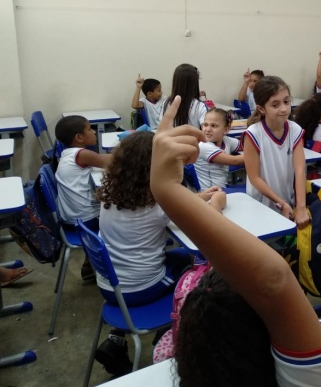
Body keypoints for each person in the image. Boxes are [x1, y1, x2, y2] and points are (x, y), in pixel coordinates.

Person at [149, 97, 321, 387]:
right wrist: (166, 188)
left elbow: (273, 283)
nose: (283, 109)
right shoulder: (313, 377)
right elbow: (272, 281)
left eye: (286, 102)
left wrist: (165, 188)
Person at [93, 131, 225, 376]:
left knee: (177, 257)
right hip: (142, 288)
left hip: (111, 286)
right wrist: (216, 201)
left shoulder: (110, 194)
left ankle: (116, 339)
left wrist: (197, 197)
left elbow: (175, 205)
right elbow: (206, 222)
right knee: (193, 271)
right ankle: (172, 330)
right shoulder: (157, 203)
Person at [243, 76, 309, 227]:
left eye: (286, 101)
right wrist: (280, 202)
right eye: (275, 105)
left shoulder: (295, 130)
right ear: (261, 109)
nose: (284, 109)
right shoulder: (253, 134)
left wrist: (301, 207)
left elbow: (300, 170)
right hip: (261, 205)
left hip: (287, 201)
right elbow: (254, 178)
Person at [55, 115, 112, 281]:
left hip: (71, 217)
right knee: (121, 212)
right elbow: (109, 162)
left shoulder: (67, 153)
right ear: (79, 137)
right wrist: (127, 147)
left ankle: (89, 266)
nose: (93, 132)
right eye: (89, 129)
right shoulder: (81, 154)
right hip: (85, 221)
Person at [194, 108, 245, 188]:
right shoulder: (204, 146)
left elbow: (245, 145)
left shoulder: (226, 140)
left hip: (221, 188)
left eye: (213, 126)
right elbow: (235, 161)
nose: (208, 129)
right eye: (205, 125)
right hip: (210, 192)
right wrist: (259, 154)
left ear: (226, 129)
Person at [160, 63, 207, 128]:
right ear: (194, 83)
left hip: (170, 134)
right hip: (194, 135)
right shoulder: (199, 106)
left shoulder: (166, 103)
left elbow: (162, 126)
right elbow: (206, 129)